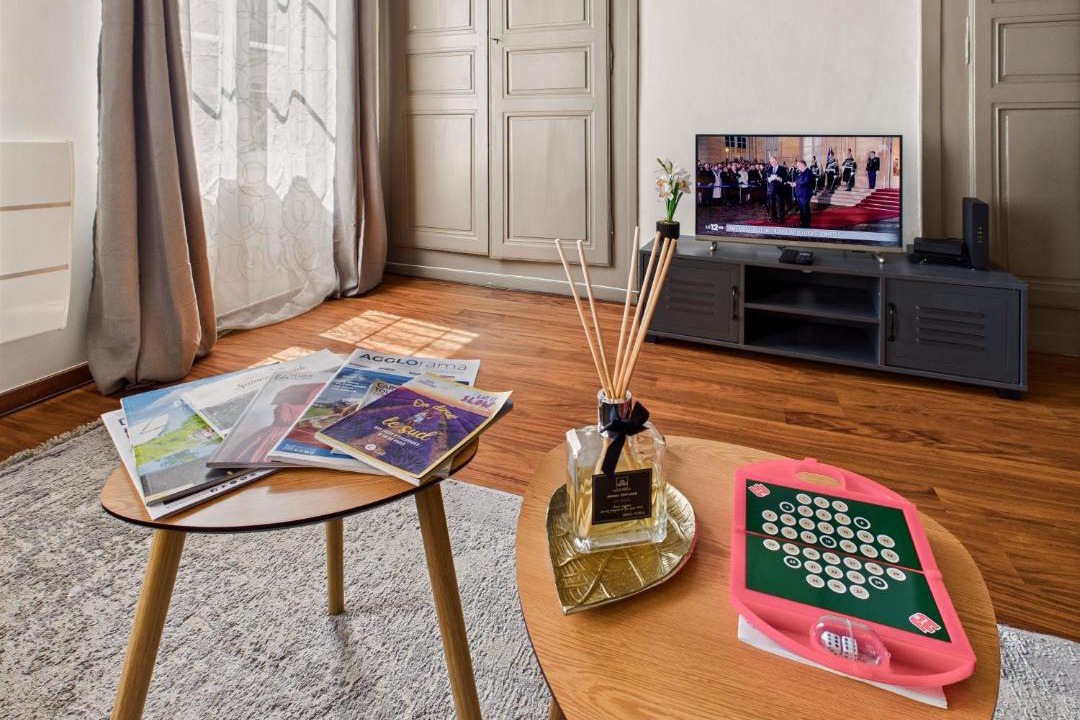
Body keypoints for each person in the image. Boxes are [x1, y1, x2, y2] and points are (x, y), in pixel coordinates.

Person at [791, 159, 815, 228]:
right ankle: (802, 223)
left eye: (798, 166)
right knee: (802, 209)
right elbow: (798, 180)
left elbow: (806, 181)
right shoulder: (801, 172)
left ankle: (806, 224)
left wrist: (796, 183)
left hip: (805, 194)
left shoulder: (808, 172)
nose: (798, 167)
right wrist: (793, 183)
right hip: (800, 194)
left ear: (803, 165)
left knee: (805, 209)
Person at [765, 155, 788, 223]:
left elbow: (785, 179)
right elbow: (767, 178)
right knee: (772, 204)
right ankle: (774, 218)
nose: (772, 163)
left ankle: (781, 218)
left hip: (779, 189)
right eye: (771, 162)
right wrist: (769, 179)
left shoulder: (782, 169)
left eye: (773, 162)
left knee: (780, 204)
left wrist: (778, 178)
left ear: (776, 161)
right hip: (771, 189)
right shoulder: (769, 168)